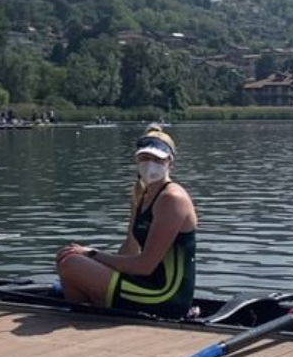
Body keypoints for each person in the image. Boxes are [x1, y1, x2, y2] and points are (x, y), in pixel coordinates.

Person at [55, 124, 197, 318]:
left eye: (157, 159)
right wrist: (96, 264)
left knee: (71, 263)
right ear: (137, 161)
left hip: (165, 296)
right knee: (67, 257)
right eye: (145, 158)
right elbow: (131, 249)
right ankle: (88, 315)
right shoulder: (142, 195)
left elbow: (145, 266)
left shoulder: (172, 199)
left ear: (170, 164)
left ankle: (90, 314)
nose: (150, 164)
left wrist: (93, 254)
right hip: (144, 285)